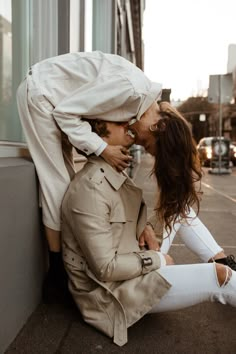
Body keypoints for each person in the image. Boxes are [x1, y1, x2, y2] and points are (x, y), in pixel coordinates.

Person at [61, 116, 236, 347]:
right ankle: (227, 271)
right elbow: (105, 268)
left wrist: (145, 227)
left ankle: (223, 260)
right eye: (118, 121)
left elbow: (120, 225)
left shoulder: (114, 171)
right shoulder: (89, 189)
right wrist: (156, 259)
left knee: (179, 209)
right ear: (100, 135)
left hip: (133, 260)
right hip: (116, 295)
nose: (128, 124)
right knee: (219, 277)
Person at [16, 51, 162, 301]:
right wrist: (104, 149)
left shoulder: (138, 96)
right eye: (145, 143)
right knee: (59, 184)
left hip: (52, 98)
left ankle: (68, 265)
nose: (136, 140)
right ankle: (58, 274)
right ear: (154, 127)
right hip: (40, 95)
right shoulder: (131, 92)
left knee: (70, 183)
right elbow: (65, 113)